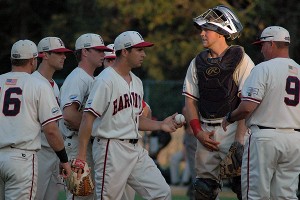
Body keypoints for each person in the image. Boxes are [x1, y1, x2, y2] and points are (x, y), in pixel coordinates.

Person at [74, 30, 182, 200]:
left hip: (134, 148)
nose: (144, 54)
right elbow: (88, 118)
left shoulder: (137, 82)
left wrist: (161, 124)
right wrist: (81, 156)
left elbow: (136, 119)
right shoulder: (105, 80)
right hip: (111, 149)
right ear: (124, 52)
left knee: (161, 192)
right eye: (139, 50)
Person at [182, 5, 255, 200]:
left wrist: (240, 140)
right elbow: (189, 102)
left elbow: (247, 102)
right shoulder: (197, 62)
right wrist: (198, 133)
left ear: (222, 32)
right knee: (203, 189)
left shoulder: (241, 59)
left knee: (244, 187)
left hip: (234, 129)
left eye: (207, 29)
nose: (202, 34)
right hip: (207, 131)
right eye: (201, 30)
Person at [222, 26, 300, 200]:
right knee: (286, 196)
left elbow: (247, 107)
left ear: (271, 43)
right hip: (294, 140)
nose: (262, 49)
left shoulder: (263, 69)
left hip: (265, 138)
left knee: (256, 195)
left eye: (262, 45)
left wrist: (230, 117)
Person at [0, 40, 71, 200]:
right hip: (22, 158)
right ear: (34, 60)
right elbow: (51, 130)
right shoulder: (37, 84)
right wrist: (64, 159)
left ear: (12, 59)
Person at [59, 33, 112, 200]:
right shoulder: (78, 78)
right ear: (85, 52)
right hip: (76, 145)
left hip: (83, 144)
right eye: (98, 50)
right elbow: (68, 115)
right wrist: (92, 129)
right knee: (79, 197)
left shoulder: (92, 78)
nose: (103, 54)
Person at [33, 36, 72, 200]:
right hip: (37, 152)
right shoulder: (33, 82)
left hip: (54, 153)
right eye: (58, 52)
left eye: (64, 53)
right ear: (45, 55)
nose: (64, 56)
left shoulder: (54, 85)